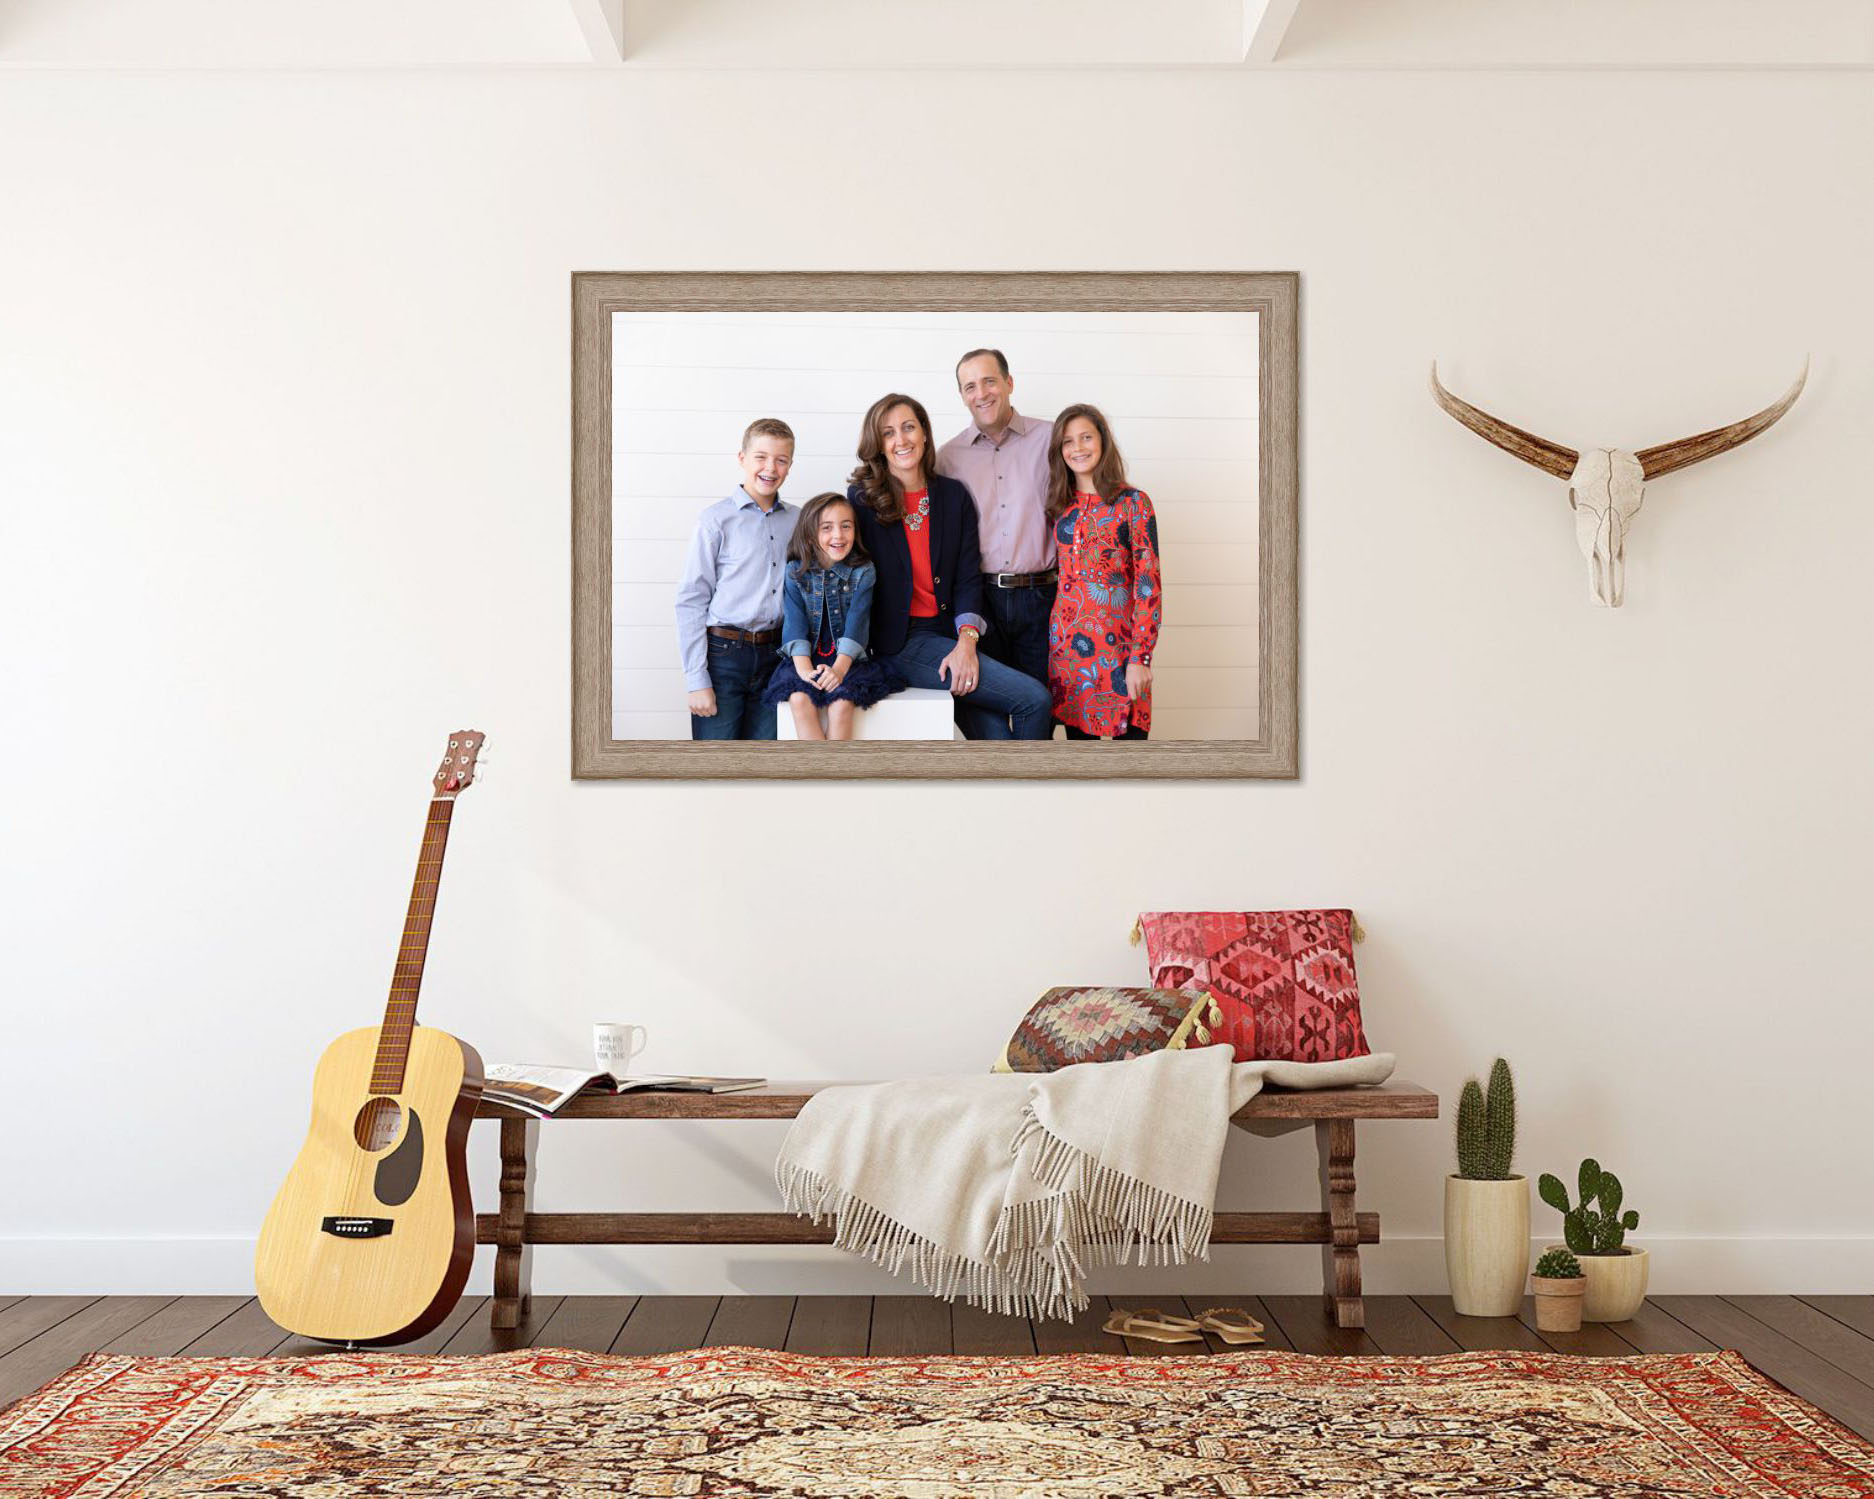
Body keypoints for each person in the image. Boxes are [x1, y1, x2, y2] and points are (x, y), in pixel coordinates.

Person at [848, 393, 1053, 741]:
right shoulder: (863, 500)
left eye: (909, 427)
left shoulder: (953, 495)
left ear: (925, 434)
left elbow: (967, 577)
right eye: (889, 432)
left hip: (956, 635)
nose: (901, 440)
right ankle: (1031, 791)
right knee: (1034, 700)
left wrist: (966, 643)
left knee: (1000, 739)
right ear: (878, 444)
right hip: (904, 644)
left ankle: (1023, 794)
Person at [935, 349, 1056, 737]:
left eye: (989, 381)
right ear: (962, 395)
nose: (981, 393)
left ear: (1009, 383)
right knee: (985, 709)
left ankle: (1030, 791)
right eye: (970, 386)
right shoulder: (947, 458)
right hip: (979, 602)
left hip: (1044, 599)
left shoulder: (1052, 439)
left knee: (1041, 710)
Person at [674, 418, 798, 740]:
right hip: (724, 656)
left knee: (765, 766)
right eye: (760, 456)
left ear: (790, 465)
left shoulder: (799, 521)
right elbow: (691, 599)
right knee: (718, 765)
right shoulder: (716, 520)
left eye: (781, 459)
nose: (770, 467)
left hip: (776, 657)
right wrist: (696, 680)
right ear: (742, 458)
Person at [1046, 404, 1162, 740]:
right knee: (1082, 761)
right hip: (1069, 653)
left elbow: (1148, 586)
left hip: (1121, 652)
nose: (1078, 448)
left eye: (1086, 437)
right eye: (1068, 441)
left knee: (1131, 761)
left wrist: (1140, 657)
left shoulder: (1133, 503)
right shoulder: (1059, 505)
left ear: (1103, 441)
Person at [759, 492, 903, 740]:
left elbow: (858, 625)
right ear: (810, 534)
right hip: (804, 658)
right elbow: (795, 623)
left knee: (842, 704)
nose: (838, 535)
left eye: (846, 526)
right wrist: (804, 670)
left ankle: (836, 773)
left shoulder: (863, 571)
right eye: (827, 528)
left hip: (847, 659)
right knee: (800, 700)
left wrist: (838, 670)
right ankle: (818, 774)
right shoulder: (796, 571)